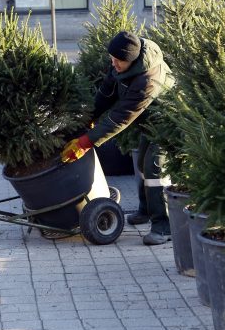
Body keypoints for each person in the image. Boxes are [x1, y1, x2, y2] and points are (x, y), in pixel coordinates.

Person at [61, 31, 175, 245]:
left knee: (155, 168)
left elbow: (119, 118)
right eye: (112, 58)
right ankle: (146, 211)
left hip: (167, 122)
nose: (113, 64)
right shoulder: (123, 63)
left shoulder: (148, 79)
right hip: (149, 124)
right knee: (141, 163)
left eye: (117, 61)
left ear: (131, 60)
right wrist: (89, 118)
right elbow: (106, 92)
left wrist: (86, 142)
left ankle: (163, 226)